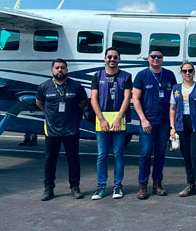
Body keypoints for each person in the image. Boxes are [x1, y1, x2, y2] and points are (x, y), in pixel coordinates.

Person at [36, 59, 88, 201]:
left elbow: (83, 102)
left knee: (73, 160)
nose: (60, 70)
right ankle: (48, 189)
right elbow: (39, 103)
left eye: (63, 68)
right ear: (52, 70)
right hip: (52, 130)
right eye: (57, 68)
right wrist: (49, 115)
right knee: (50, 160)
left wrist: (75, 115)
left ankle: (75, 187)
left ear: (67, 70)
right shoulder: (44, 86)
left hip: (71, 129)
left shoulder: (76, 86)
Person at [132, 48, 177, 199]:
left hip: (164, 122)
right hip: (147, 122)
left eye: (159, 56)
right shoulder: (142, 75)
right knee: (145, 153)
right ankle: (142, 184)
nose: (156, 59)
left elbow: (175, 100)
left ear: (162, 59)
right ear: (148, 58)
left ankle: (157, 183)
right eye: (153, 56)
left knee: (160, 153)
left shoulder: (169, 75)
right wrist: (143, 120)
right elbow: (136, 99)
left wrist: (173, 124)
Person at [90, 47, 132, 200]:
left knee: (118, 154)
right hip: (102, 121)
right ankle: (101, 187)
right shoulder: (97, 75)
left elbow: (127, 98)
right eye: (109, 57)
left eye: (115, 57)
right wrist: (101, 119)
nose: (112, 60)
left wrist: (118, 118)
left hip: (118, 121)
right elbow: (93, 98)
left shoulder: (126, 77)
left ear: (119, 59)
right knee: (102, 155)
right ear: (105, 59)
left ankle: (117, 186)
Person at [170, 62, 196, 199]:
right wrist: (172, 127)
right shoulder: (176, 89)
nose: (187, 73)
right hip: (182, 125)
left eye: (190, 71)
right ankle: (190, 185)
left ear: (194, 72)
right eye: (184, 71)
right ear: (181, 73)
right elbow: (172, 108)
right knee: (187, 157)